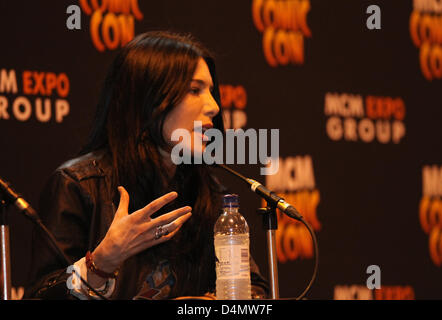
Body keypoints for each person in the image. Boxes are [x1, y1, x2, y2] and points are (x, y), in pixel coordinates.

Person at [25, 31, 269, 300]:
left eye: (211, 91)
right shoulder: (78, 185)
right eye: (194, 90)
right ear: (148, 99)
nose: (213, 106)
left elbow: (253, 290)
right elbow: (40, 295)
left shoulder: (208, 191)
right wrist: (100, 264)